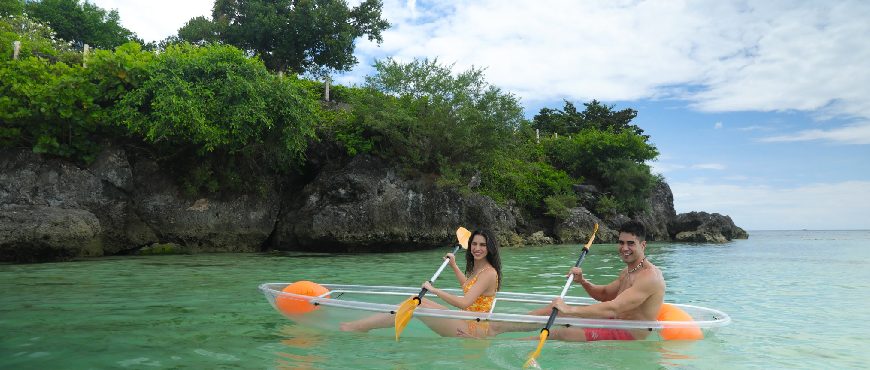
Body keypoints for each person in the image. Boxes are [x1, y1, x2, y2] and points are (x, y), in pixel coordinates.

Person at [489, 220, 664, 341]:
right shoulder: (628, 270)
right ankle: (495, 329)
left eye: (631, 243)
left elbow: (614, 306)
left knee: (560, 333)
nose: (624, 248)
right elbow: (604, 295)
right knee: (554, 310)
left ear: (643, 245)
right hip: (613, 321)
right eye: (621, 242)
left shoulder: (650, 277)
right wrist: (583, 281)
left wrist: (570, 309)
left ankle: (507, 344)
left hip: (629, 334)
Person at [340, 229, 502, 337]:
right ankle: (363, 326)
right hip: (466, 320)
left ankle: (360, 327)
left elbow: (464, 302)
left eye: (482, 245)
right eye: (474, 244)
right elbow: (469, 288)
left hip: (473, 329)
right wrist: (453, 266)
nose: (477, 248)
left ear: (490, 248)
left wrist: (434, 290)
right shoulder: (479, 269)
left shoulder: (488, 273)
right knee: (417, 300)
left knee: (416, 304)